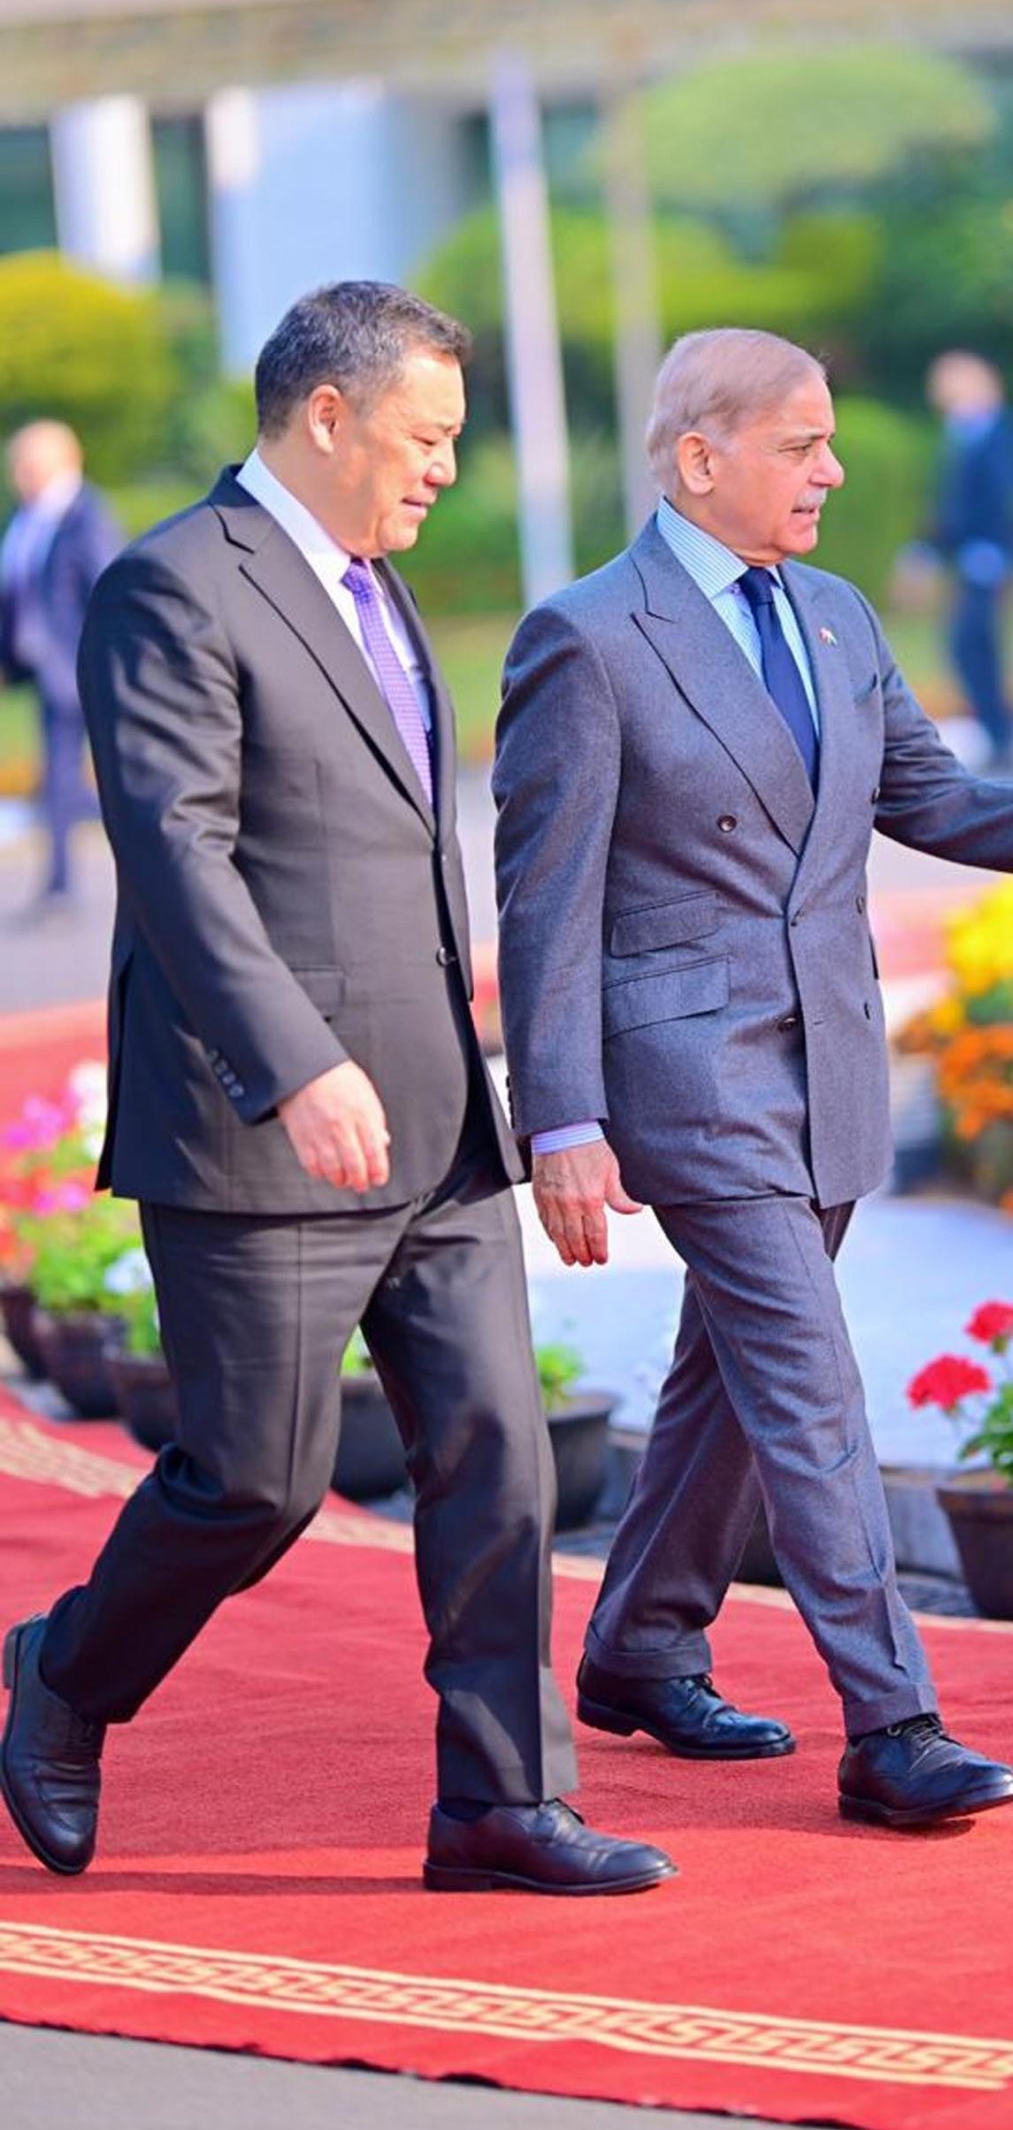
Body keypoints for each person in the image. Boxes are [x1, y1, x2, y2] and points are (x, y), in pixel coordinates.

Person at [492, 326, 1013, 1830]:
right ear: (699, 458)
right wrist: (561, 1118)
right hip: (690, 1076)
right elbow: (545, 902)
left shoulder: (837, 613)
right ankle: (893, 1723)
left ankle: (638, 1643)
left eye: (829, 443)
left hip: (829, 1064)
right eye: (799, 445)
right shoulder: (587, 637)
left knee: (731, 1379)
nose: (832, 472)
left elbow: (931, 799)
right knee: (807, 1383)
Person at [0, 282, 671, 1900]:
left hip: (436, 1128)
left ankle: (501, 1804)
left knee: (500, 1456)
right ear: (327, 415)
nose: (446, 466)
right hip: (258, 1131)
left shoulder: (378, 588)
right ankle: (64, 1676)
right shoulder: (173, 587)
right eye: (426, 436)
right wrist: (295, 1061)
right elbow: (176, 858)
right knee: (256, 1481)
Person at [0, 419, 121, 914]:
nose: (17, 476)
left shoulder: (85, 516)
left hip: (82, 668)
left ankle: (72, 884)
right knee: (60, 776)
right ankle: (59, 883)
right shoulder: (28, 519)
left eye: (25, 465)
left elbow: (107, 590)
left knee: (99, 775)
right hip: (45, 672)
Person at [925, 351, 1013, 768]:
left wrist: (992, 549)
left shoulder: (995, 430)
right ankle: (999, 729)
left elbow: (1003, 496)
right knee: (970, 645)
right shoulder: (962, 432)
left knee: (974, 644)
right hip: (970, 556)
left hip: (987, 557)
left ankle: (1003, 731)